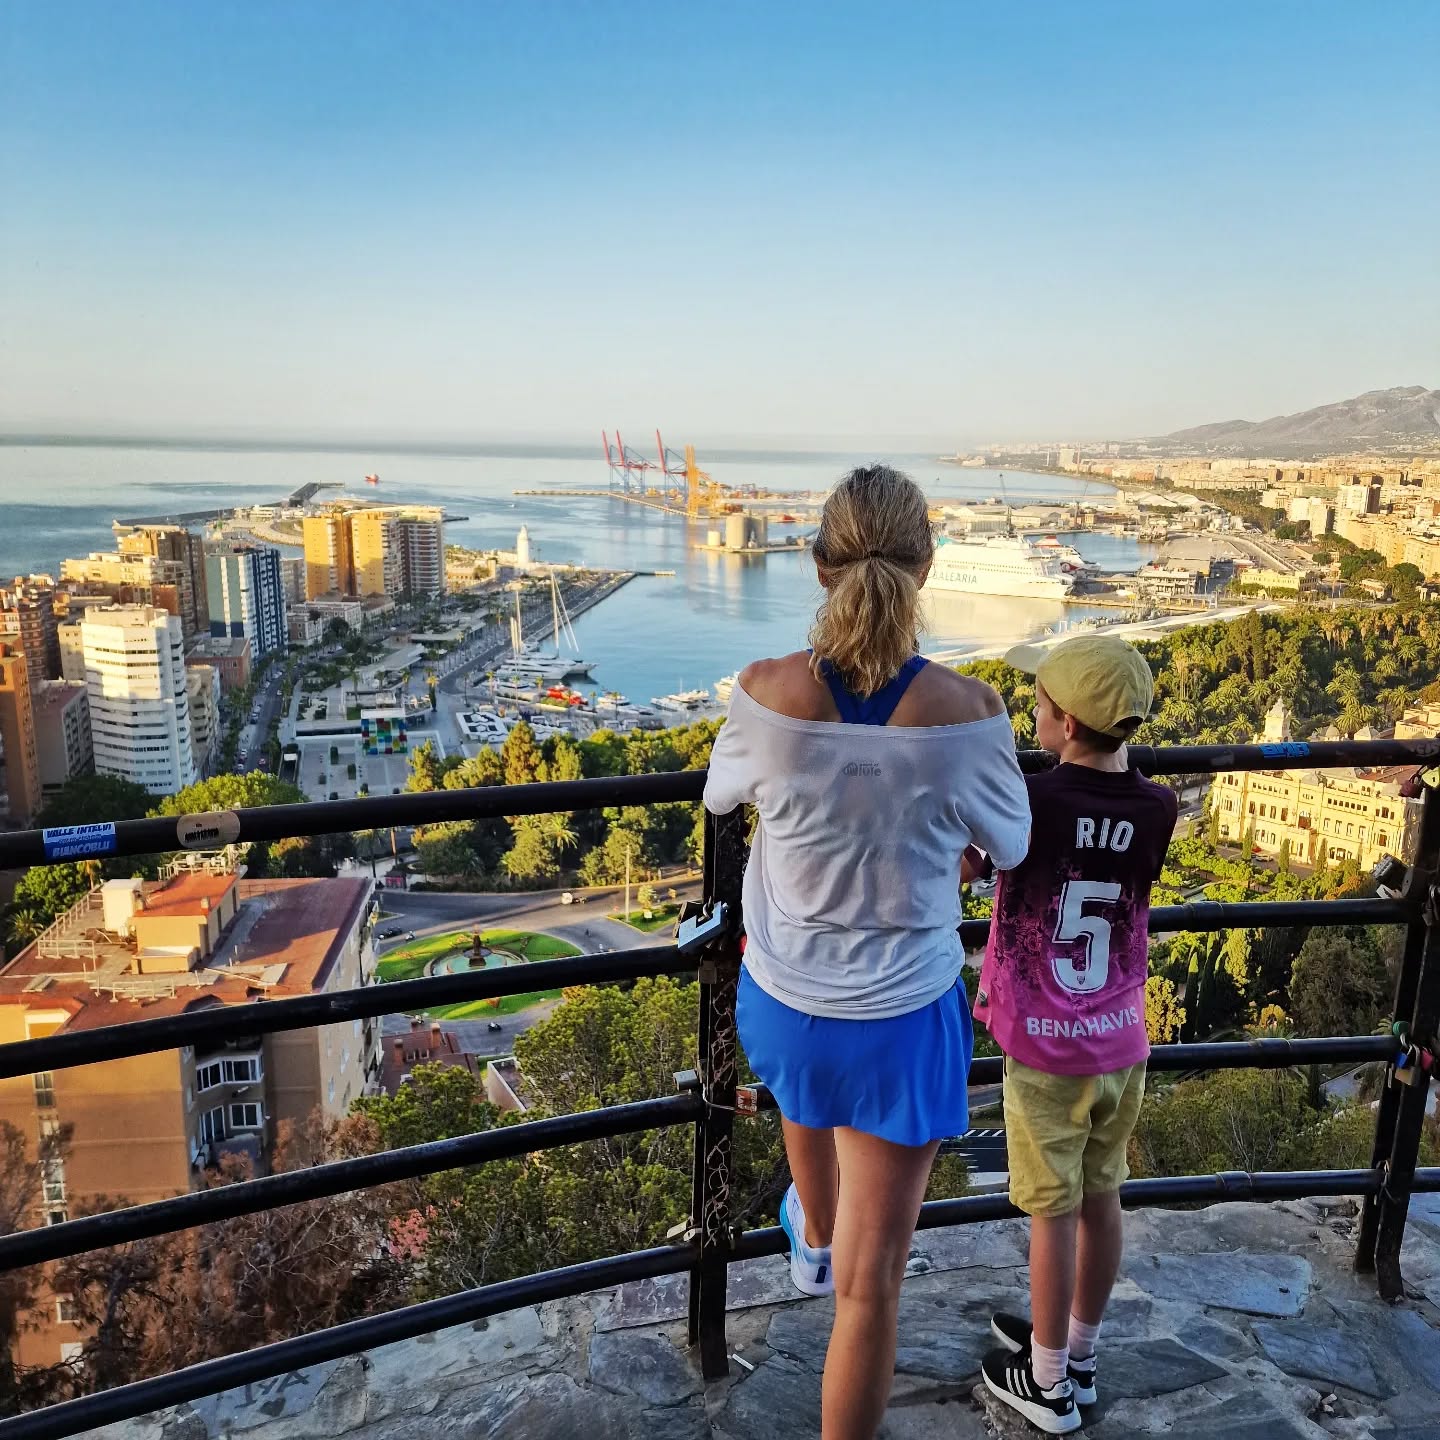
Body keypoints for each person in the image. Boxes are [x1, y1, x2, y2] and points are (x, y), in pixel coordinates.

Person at [703, 466, 1031, 1440]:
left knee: (810, 1099)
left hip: (784, 1005)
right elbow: (1010, 846)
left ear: (816, 566)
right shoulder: (969, 712)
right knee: (869, 1290)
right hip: (899, 1017)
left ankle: (810, 1232)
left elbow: (723, 797)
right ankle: (829, 1254)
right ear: (926, 568)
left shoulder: (764, 693)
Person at [970, 635, 1178, 1435]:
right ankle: (1077, 1354)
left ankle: (1046, 1379)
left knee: (1050, 1210)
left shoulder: (1031, 798)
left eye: (1041, 704)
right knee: (1101, 1195)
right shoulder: (1157, 808)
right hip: (1121, 1036)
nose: (1035, 713)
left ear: (1060, 722)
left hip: (1046, 1043)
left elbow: (973, 863)